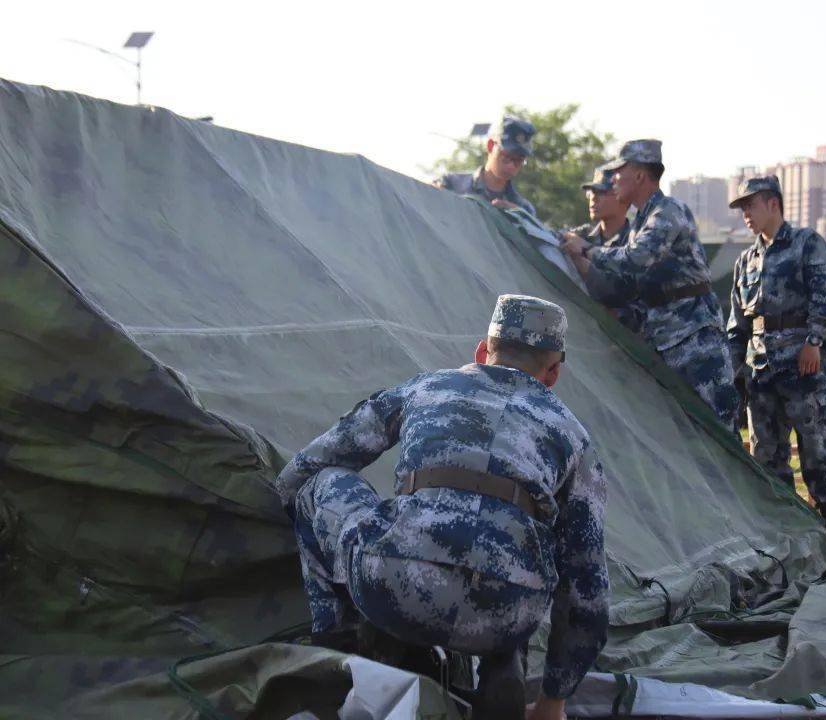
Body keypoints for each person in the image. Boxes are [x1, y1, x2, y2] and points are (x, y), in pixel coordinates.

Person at [273, 295, 608, 720]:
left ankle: (343, 651)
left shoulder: (426, 387)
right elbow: (588, 588)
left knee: (323, 483)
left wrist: (282, 507)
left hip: (394, 583)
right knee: (522, 545)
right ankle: (501, 661)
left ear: (482, 351)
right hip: (503, 612)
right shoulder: (575, 439)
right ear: (554, 373)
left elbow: (313, 462)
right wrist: (553, 700)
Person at [561, 140, 739, 433]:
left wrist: (587, 251)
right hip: (665, 336)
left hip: (694, 337)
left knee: (716, 428)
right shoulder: (641, 221)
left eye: (620, 171)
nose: (614, 178)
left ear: (641, 176)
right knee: (678, 431)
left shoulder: (668, 211)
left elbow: (636, 259)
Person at [726, 175, 826, 556]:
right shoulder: (745, 261)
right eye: (742, 208)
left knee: (817, 447)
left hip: (801, 364)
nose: (745, 214)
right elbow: (737, 323)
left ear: (772, 203)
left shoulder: (805, 244)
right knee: (767, 455)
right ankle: (781, 534)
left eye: (750, 205)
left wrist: (814, 340)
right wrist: (735, 369)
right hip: (761, 370)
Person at [564, 166, 644, 333]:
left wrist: (584, 265)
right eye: (591, 192)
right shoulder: (581, 236)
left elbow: (624, 296)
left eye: (601, 192)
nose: (593, 198)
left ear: (623, 198)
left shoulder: (638, 245)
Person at [434, 116, 538, 215]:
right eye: (506, 157)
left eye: (518, 161)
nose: (511, 166)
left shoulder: (523, 209)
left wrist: (517, 218)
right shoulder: (450, 184)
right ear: (491, 146)